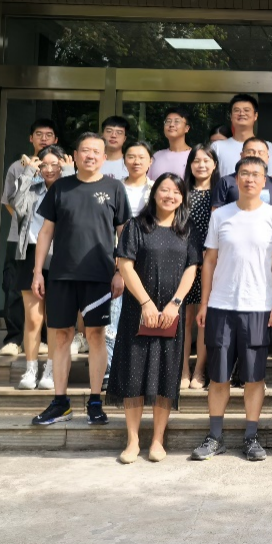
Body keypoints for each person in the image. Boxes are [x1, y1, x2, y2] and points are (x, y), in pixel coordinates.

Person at [190, 157, 272, 463]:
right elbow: (209, 260)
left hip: (258, 307)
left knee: (254, 377)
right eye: (244, 174)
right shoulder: (221, 215)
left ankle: (251, 437)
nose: (249, 179)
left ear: (265, 181)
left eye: (255, 174)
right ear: (235, 179)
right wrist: (205, 302)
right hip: (221, 305)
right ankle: (215, 437)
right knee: (218, 377)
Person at [30, 132, 131, 427]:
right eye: (85, 151)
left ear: (104, 157)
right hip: (62, 274)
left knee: (96, 335)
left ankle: (95, 401)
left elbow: (124, 234)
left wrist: (120, 272)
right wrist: (38, 271)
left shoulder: (114, 188)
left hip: (99, 276)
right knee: (61, 336)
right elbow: (46, 232)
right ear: (74, 156)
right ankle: (60, 402)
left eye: (96, 152)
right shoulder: (61, 187)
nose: (90, 156)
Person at [105, 174, 199, 463]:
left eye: (176, 191)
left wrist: (175, 303)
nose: (170, 196)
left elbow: (191, 268)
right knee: (133, 373)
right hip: (138, 310)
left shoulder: (187, 228)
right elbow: (125, 265)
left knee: (166, 374)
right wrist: (145, 303)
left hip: (171, 312)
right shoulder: (136, 226)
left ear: (182, 197)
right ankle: (133, 440)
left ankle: (158, 439)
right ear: (154, 193)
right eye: (164, 190)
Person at [10, 144, 72, 390]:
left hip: (60, 256)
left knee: (54, 320)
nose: (49, 169)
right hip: (31, 254)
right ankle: (30, 369)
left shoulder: (70, 187)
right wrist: (28, 173)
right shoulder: (33, 188)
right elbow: (18, 207)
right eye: (44, 165)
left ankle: (50, 369)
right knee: (34, 319)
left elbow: (72, 209)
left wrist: (69, 173)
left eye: (55, 165)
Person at [0, 119, 58, 356]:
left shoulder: (60, 169)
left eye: (49, 135)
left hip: (52, 243)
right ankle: (14, 339)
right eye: (39, 134)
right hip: (21, 239)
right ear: (30, 138)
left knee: (48, 291)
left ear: (56, 140)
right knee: (14, 288)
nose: (44, 138)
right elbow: (10, 202)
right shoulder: (17, 167)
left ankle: (42, 339)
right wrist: (26, 223)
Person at [104, 140, 155, 386]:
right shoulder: (113, 188)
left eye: (141, 157)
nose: (136, 161)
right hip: (117, 258)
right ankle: (111, 370)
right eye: (131, 157)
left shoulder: (157, 189)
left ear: (150, 161)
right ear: (124, 161)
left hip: (149, 260)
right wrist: (119, 266)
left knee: (145, 316)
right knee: (114, 315)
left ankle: (143, 371)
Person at [180, 143, 217, 390]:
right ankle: (183, 368)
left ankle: (200, 370)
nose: (201, 165)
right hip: (183, 261)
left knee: (204, 318)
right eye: (196, 160)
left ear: (214, 165)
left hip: (212, 261)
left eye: (206, 160)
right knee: (184, 317)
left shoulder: (221, 193)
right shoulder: (181, 191)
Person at [212, 94, 272, 178]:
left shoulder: (268, 147)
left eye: (246, 110)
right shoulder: (217, 147)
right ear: (230, 116)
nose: (241, 113)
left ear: (255, 116)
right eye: (237, 110)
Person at [213, 138, 272, 207]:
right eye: (250, 152)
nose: (256, 156)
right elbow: (216, 212)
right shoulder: (226, 182)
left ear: (268, 158)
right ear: (241, 155)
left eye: (261, 153)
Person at [147, 107, 194, 180]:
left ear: (186, 128)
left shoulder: (194, 156)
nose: (171, 125)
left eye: (177, 121)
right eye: (168, 121)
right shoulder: (156, 156)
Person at [99, 116, 131, 180]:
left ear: (124, 138)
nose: (113, 135)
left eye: (119, 132)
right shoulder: (93, 161)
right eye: (109, 131)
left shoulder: (130, 163)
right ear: (102, 135)